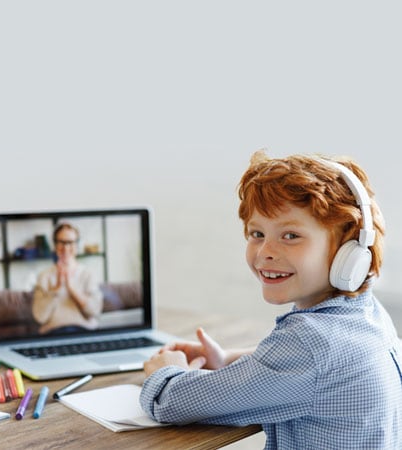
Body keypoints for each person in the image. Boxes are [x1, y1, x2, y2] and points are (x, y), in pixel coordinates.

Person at [140, 150, 402, 449]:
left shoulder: (308, 342)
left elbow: (173, 403)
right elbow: (311, 367)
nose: (266, 251)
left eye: (290, 235)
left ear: (349, 251)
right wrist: (227, 360)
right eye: (257, 233)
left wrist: (165, 371)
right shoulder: (368, 315)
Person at [32, 223, 103, 334]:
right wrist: (56, 289)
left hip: (84, 331)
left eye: (70, 242)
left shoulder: (88, 274)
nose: (65, 248)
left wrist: (72, 289)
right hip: (54, 333)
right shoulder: (44, 276)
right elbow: (40, 317)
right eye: (61, 242)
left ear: (77, 245)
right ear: (55, 245)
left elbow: (94, 312)